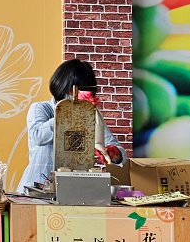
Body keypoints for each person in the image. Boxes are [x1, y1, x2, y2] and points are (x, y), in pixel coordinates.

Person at [19, 58, 124, 193]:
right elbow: (38, 136)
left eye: (83, 90)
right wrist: (68, 112)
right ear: (62, 86)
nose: (76, 95)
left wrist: (115, 154)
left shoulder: (90, 114)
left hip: (72, 190)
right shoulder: (41, 108)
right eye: (73, 91)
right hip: (37, 189)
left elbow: (115, 148)